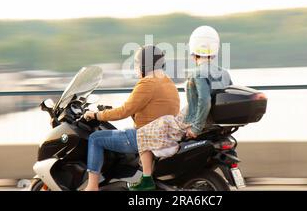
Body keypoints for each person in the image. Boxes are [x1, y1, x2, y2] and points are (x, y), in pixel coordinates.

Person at [128, 25, 232, 191]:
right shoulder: (224, 73)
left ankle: (147, 179)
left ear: (193, 51)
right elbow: (226, 96)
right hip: (211, 122)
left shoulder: (198, 73)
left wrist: (196, 128)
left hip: (187, 121)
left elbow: (204, 101)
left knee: (143, 132)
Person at [82, 45, 180, 191]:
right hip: (164, 134)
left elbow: (124, 111)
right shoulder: (168, 82)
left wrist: (96, 115)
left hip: (144, 136)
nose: (136, 67)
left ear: (145, 65)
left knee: (95, 138)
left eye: (137, 64)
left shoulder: (148, 82)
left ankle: (92, 186)